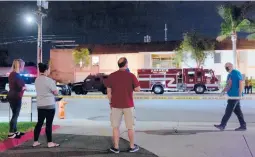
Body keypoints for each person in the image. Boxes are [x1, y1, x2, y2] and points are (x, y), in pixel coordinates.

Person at [105, 57, 140, 153]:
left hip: (115, 105)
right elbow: (137, 89)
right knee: (130, 127)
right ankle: (132, 147)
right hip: (129, 105)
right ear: (126, 64)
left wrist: (110, 103)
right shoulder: (131, 76)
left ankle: (116, 147)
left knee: (115, 127)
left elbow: (109, 92)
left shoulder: (112, 76)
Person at [33, 63, 60, 148]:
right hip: (49, 105)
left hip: (40, 105)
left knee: (39, 123)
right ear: (46, 70)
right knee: (48, 124)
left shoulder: (37, 80)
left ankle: (35, 141)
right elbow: (56, 92)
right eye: (48, 70)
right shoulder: (49, 80)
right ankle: (50, 142)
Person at [214, 62, 246, 131]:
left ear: (231, 66)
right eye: (225, 67)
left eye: (227, 66)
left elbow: (241, 82)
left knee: (228, 111)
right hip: (231, 96)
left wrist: (240, 94)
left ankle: (222, 125)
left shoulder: (236, 72)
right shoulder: (229, 75)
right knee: (238, 111)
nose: (226, 68)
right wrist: (223, 91)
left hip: (235, 96)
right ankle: (243, 125)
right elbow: (228, 85)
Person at [7, 59, 26, 139]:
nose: (23, 68)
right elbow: (20, 87)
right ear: (20, 66)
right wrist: (24, 87)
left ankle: (14, 131)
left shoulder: (12, 74)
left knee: (15, 114)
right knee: (15, 115)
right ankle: (11, 132)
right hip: (16, 97)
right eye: (23, 66)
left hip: (11, 96)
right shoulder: (16, 75)